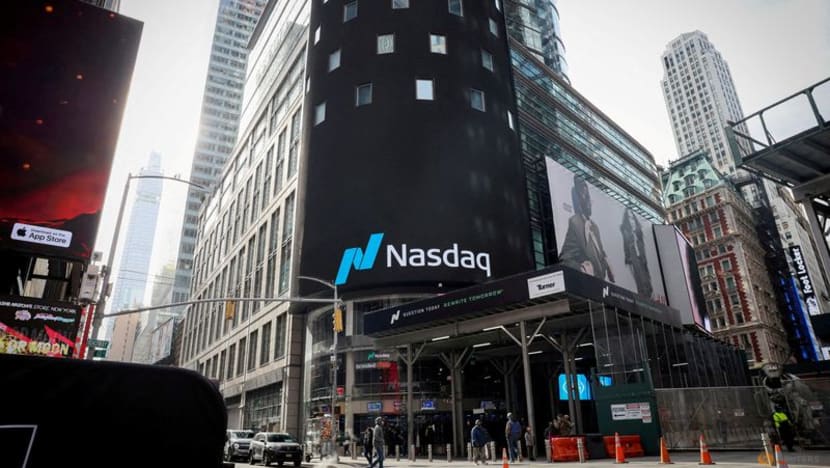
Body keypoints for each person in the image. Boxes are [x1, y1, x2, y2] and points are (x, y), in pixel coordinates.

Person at [559, 176, 615, 282]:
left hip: (602, 284)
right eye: (584, 195)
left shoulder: (594, 226)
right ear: (577, 199)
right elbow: (564, 259)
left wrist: (606, 261)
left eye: (588, 195)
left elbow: (600, 252)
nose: (588, 201)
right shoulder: (575, 223)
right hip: (588, 284)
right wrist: (580, 268)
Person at [620, 207, 653, 297]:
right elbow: (625, 244)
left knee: (646, 277)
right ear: (627, 219)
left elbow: (643, 245)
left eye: (632, 218)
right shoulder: (625, 230)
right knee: (640, 279)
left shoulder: (639, 231)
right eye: (629, 218)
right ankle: (644, 296)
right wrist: (627, 258)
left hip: (642, 256)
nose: (632, 221)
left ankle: (648, 294)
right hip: (633, 256)